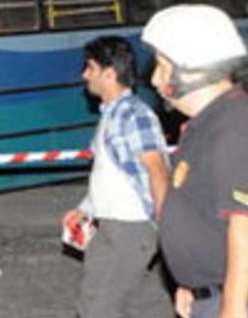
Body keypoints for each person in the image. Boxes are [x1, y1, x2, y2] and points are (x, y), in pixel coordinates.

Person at [141, 4, 248, 318]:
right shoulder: (211, 121)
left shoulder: (236, 127)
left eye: (161, 65)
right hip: (225, 294)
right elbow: (204, 210)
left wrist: (233, 306)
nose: (155, 79)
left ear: (188, 68)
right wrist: (195, 283)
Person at [62, 35, 173, 317]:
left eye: (90, 68)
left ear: (109, 73)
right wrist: (84, 208)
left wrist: (169, 227)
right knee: (144, 305)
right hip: (117, 226)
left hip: (129, 228)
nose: (84, 75)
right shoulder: (112, 115)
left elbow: (156, 170)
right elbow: (111, 174)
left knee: (97, 305)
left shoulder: (134, 115)